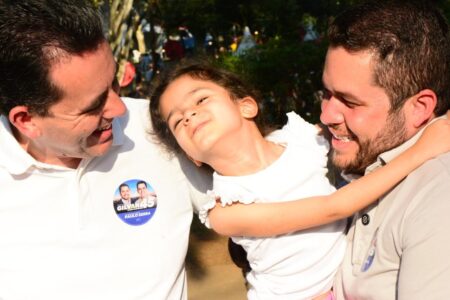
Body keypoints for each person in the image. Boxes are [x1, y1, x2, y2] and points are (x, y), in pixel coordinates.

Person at [149, 62, 450, 299]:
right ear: (191, 157)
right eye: (177, 121)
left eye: (200, 99)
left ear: (247, 106)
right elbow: (334, 208)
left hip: (346, 286)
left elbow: (364, 134)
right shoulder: (227, 210)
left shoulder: (302, 141)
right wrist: (422, 151)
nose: (189, 115)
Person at [0, 1, 211, 299]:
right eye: (93, 106)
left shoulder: (163, 126)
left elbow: (264, 198)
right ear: (26, 120)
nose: (119, 108)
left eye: (114, 83)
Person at [319, 1, 450, 299]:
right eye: (326, 94)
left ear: (419, 108)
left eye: (350, 102)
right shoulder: (351, 161)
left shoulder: (440, 197)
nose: (327, 115)